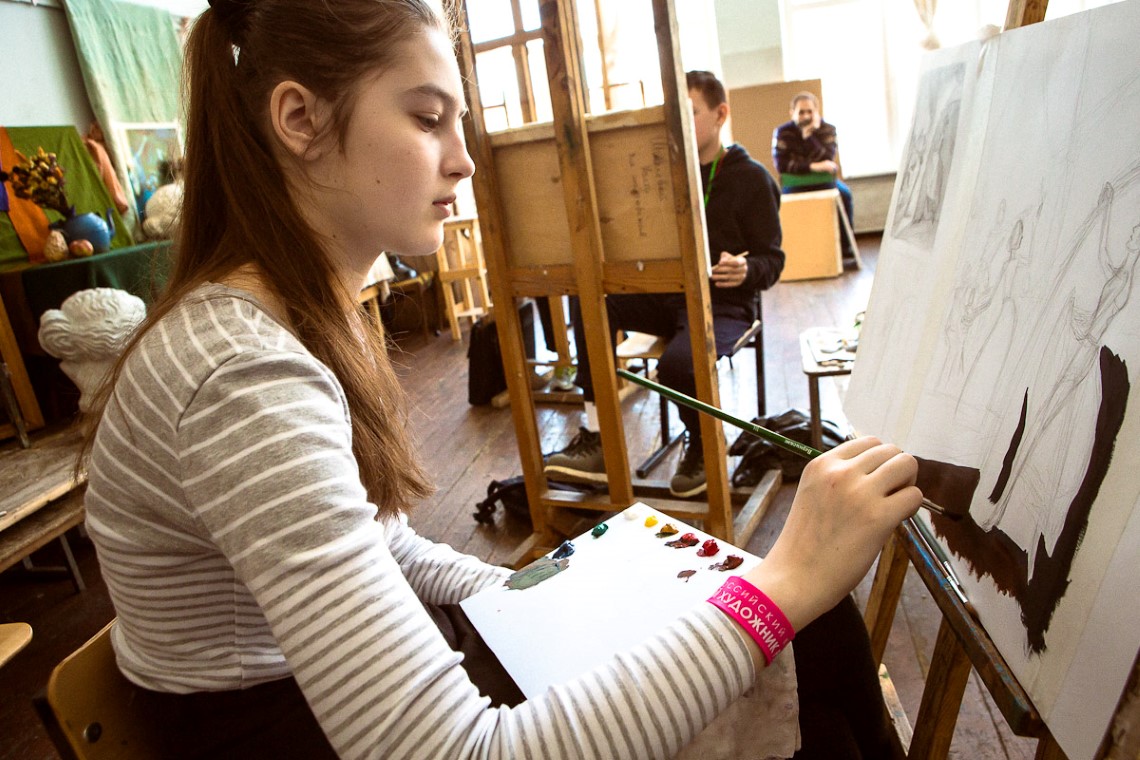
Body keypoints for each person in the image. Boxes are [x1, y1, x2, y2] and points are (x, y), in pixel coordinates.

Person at [79, 2, 921, 757]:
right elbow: (454, 751)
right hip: (273, 724)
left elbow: (385, 541)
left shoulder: (285, 317)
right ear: (301, 118)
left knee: (812, 638)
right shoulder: (241, 374)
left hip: (309, 690)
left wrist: (542, 592)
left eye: (461, 123)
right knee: (800, 645)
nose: (464, 161)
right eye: (427, 119)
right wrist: (784, 584)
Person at [544, 70, 784, 498]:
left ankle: (705, 442)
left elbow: (773, 258)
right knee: (591, 299)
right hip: (666, 296)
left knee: (676, 366)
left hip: (725, 303)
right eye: (669, 114)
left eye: (688, 113)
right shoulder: (660, 173)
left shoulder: (751, 178)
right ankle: (598, 437)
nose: (676, 124)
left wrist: (748, 270)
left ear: (720, 114)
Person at [772, 92, 856, 259]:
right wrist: (813, 166)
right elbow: (782, 165)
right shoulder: (782, 132)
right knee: (778, 205)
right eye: (801, 112)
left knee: (845, 195)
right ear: (792, 112)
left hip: (824, 183)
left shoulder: (828, 130)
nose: (806, 116)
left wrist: (809, 137)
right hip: (794, 185)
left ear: (816, 111)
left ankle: (845, 247)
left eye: (810, 111)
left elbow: (828, 158)